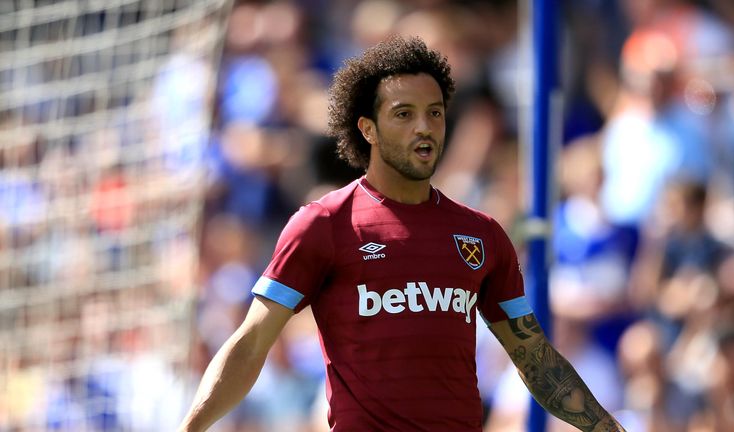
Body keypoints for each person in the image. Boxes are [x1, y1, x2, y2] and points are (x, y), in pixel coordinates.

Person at [178, 35, 625, 432]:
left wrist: (607, 428)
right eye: (404, 114)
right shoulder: (323, 224)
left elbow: (535, 359)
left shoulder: (482, 235)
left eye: (435, 113)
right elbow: (252, 342)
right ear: (367, 129)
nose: (424, 127)